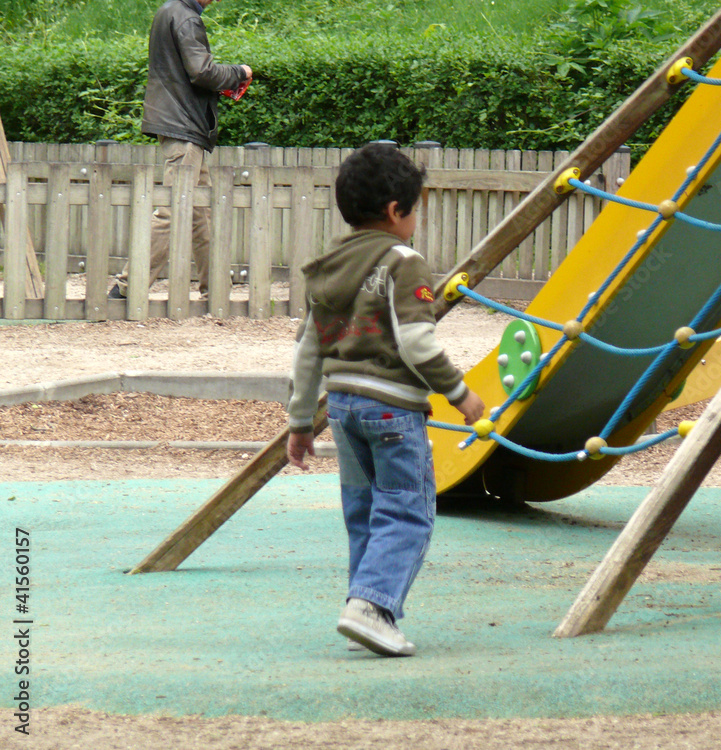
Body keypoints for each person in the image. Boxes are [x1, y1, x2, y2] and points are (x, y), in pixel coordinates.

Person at [285, 143, 485, 657]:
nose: (415, 220)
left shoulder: (328, 266)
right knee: (407, 509)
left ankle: (363, 607)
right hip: (393, 408)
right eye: (414, 209)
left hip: (345, 407)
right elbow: (418, 343)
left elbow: (309, 350)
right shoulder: (403, 262)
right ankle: (373, 608)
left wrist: (301, 421)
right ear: (397, 211)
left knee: (364, 509)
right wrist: (459, 393)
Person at [110, 0, 251, 300]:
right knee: (173, 210)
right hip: (184, 125)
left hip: (181, 124)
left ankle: (216, 290)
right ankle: (127, 287)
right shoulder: (186, 17)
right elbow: (202, 72)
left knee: (201, 212)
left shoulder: (169, 11)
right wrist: (239, 72)